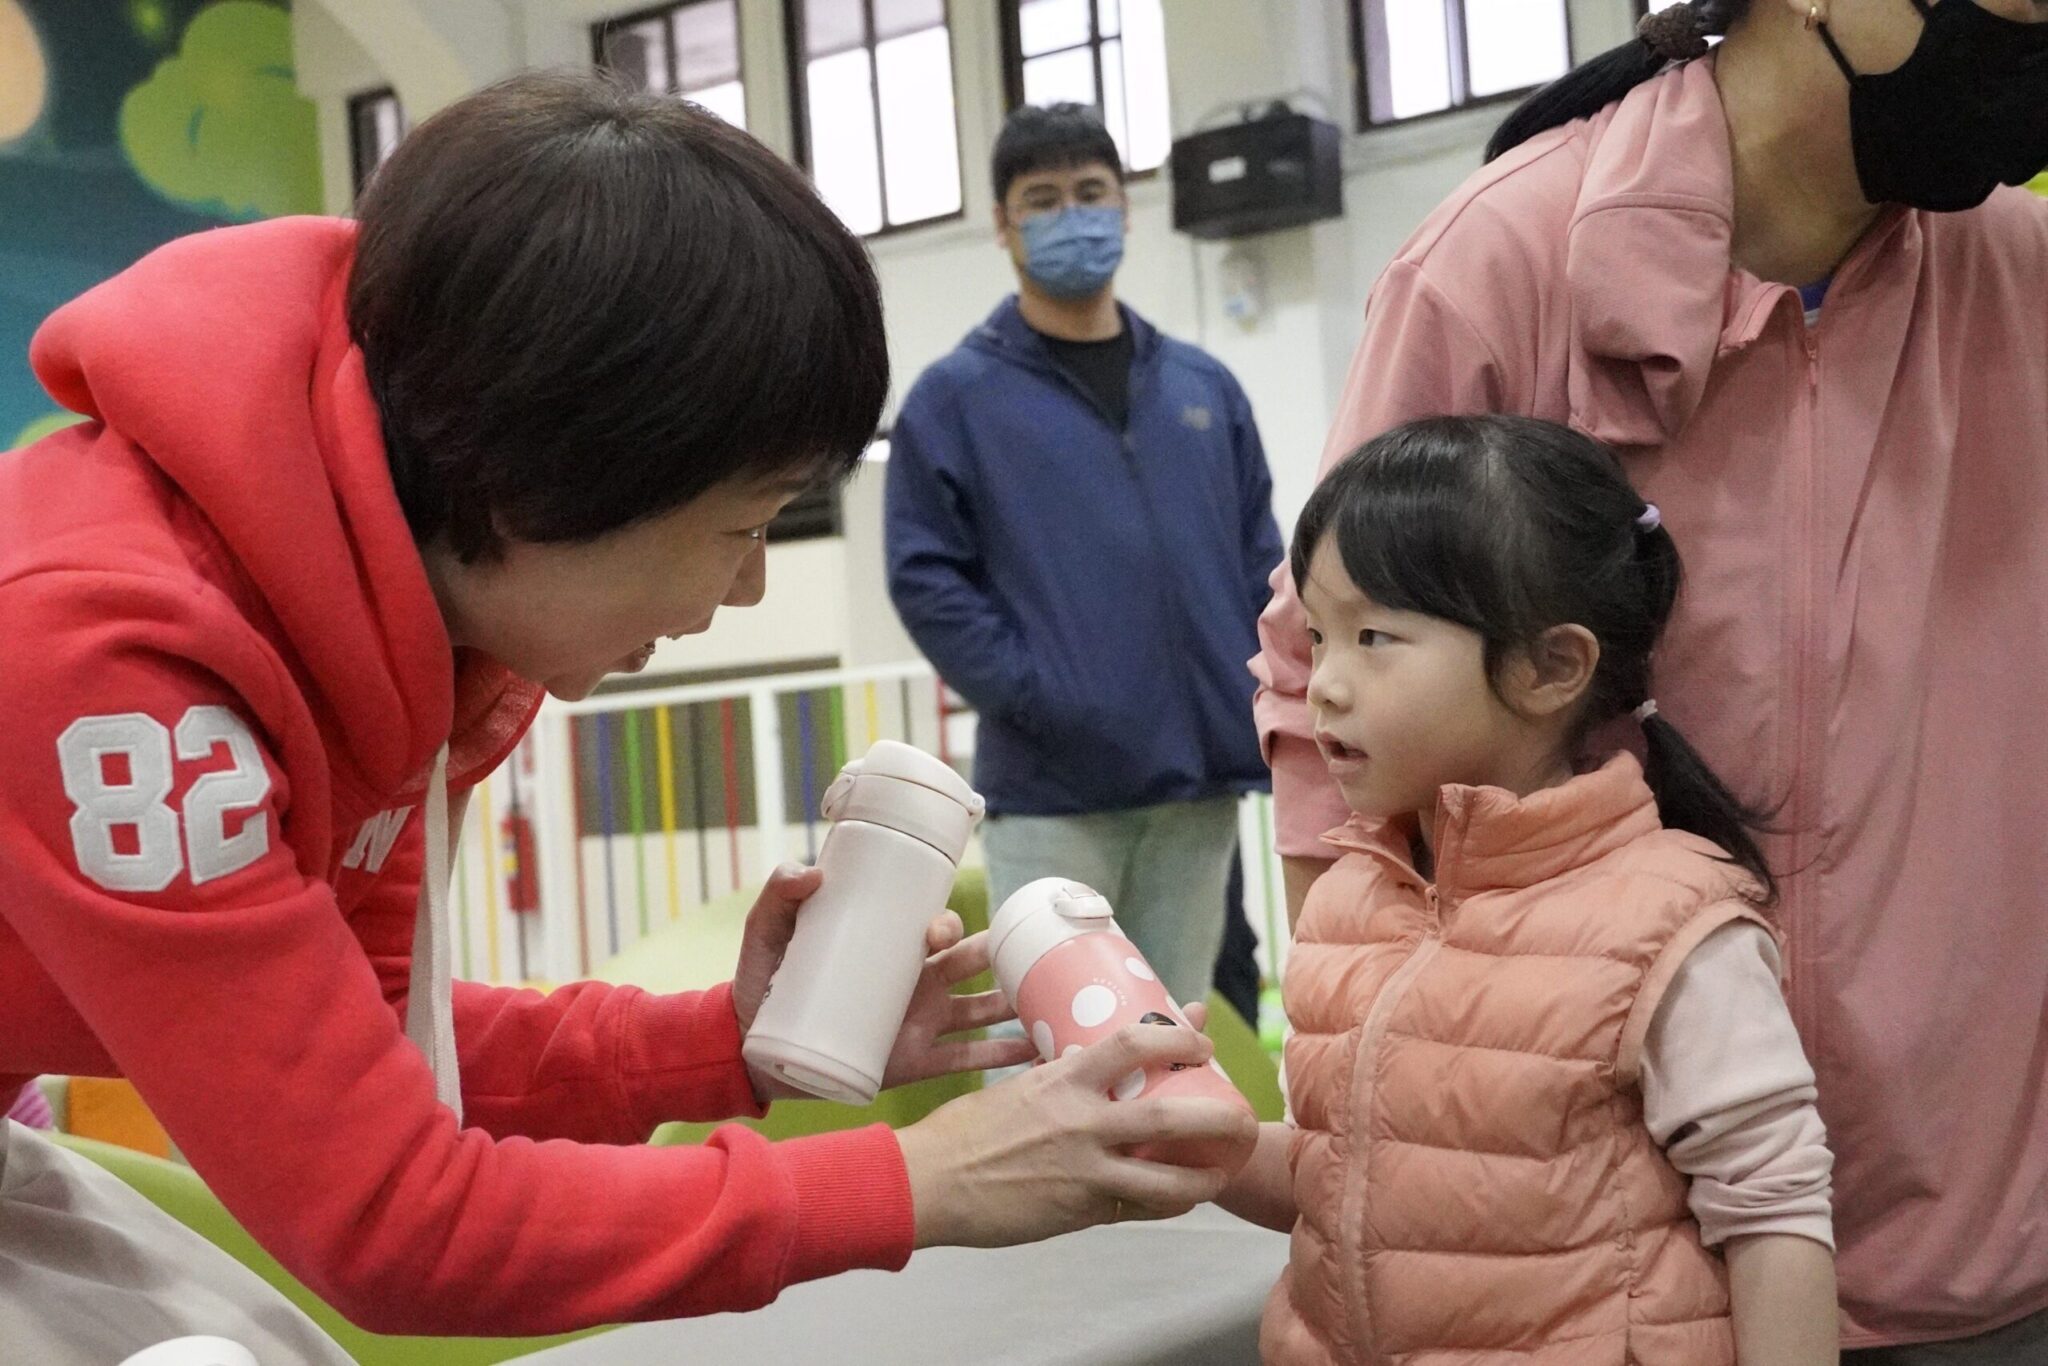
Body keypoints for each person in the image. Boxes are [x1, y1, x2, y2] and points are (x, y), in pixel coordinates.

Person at [0, 72, 1254, 1356]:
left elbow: (382, 1052)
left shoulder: (387, 619)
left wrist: (730, 1043)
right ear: (552, 477)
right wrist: (923, 1180)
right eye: (742, 526)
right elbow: (392, 1221)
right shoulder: (113, 656)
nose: (751, 582)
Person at [1250, 2, 2048, 1358]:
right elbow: (1324, 678)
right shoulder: (1504, 261)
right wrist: (1410, 1121)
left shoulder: (2018, 278)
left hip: (1978, 1239)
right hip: (1598, 1278)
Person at [1223, 415, 1837, 1364]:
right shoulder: (1348, 904)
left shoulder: (1670, 923)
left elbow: (1776, 1214)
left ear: (1552, 667)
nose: (1325, 686)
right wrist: (1205, 1142)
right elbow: (1335, 1182)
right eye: (1317, 634)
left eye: (1374, 636)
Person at [886, 103, 1284, 1010]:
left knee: (1167, 1038)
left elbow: (1262, 557)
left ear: (1127, 206)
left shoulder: (1202, 388)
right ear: (1002, 223)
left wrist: (1250, 694)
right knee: (1045, 1049)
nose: (1075, 214)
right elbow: (925, 575)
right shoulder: (956, 400)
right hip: (1053, 790)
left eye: (1092, 192)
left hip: (1197, 779)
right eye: (1045, 198)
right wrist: (1040, 695)